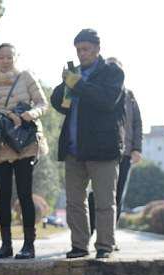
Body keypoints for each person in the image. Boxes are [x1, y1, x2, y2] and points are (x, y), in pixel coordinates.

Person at [51, 29, 125, 260]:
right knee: (74, 202)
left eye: (86, 49)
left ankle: (104, 246)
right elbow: (59, 104)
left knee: (104, 202)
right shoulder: (75, 73)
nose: (82, 54)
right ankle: (79, 246)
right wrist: (64, 85)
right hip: (74, 149)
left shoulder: (112, 72)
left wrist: (78, 84)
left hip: (103, 149)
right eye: (78, 50)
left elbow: (107, 100)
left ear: (97, 49)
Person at [0, 43, 49, 260]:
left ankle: (29, 244)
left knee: (24, 194)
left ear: (15, 58)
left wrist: (30, 114)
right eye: (1, 57)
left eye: (9, 57)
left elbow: (43, 104)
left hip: (24, 144)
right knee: (3, 197)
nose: (5, 60)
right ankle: (6, 245)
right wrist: (8, 114)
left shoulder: (26, 77)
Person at [89, 57, 143, 237]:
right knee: (96, 192)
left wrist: (137, 148)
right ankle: (91, 229)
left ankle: (109, 235)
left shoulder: (130, 95)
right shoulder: (98, 91)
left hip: (125, 152)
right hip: (102, 150)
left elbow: (137, 123)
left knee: (118, 194)